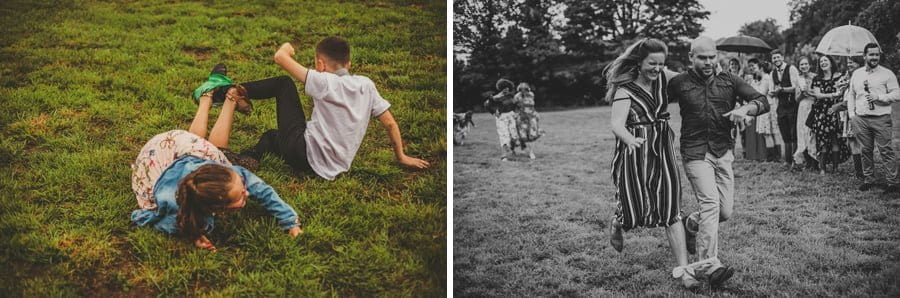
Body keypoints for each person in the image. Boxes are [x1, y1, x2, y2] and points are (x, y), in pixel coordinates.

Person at [131, 82, 302, 252]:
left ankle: (212, 99)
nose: (247, 193)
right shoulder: (173, 209)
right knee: (211, 148)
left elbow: (263, 190)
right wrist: (193, 234)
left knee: (211, 149)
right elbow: (140, 216)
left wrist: (290, 221)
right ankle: (213, 98)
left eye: (243, 190)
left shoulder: (231, 175)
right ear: (217, 208)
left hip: (173, 150)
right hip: (157, 168)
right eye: (240, 197)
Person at [227, 37, 429, 180]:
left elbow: (280, 57)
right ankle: (250, 156)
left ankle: (239, 93)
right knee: (272, 136)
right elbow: (390, 123)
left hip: (304, 153)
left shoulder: (325, 81)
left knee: (284, 84)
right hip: (334, 167)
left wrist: (288, 47)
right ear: (348, 63)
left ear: (320, 64)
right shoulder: (367, 86)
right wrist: (401, 157)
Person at [667, 36, 770, 287]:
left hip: (723, 152)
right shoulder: (680, 82)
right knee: (711, 203)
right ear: (691, 57)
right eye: (702, 57)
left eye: (712, 57)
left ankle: (691, 223)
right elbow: (653, 99)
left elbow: (762, 101)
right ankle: (708, 264)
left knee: (725, 211)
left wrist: (746, 110)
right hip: (695, 153)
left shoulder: (729, 81)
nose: (708, 62)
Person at [605, 38, 696, 289]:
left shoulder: (663, 79)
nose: (656, 68)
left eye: (660, 64)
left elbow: (691, 76)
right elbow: (616, 124)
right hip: (635, 151)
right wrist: (629, 140)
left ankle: (685, 271)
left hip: (662, 148)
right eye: (651, 64)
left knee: (670, 209)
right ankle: (619, 221)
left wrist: (712, 70)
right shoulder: (625, 90)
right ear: (639, 62)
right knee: (635, 209)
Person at [845, 43, 900, 193]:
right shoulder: (857, 73)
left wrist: (879, 97)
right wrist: (852, 115)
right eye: (871, 54)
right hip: (861, 119)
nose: (874, 57)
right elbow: (851, 94)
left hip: (881, 118)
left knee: (886, 150)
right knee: (865, 150)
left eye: (877, 55)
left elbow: (897, 94)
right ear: (864, 56)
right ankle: (869, 179)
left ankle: (892, 182)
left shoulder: (887, 74)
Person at [808, 55, 851, 174]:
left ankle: (836, 167)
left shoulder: (839, 77)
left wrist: (840, 91)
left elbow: (842, 92)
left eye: (825, 61)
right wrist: (833, 94)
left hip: (834, 111)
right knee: (822, 140)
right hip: (821, 112)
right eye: (821, 62)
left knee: (835, 139)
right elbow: (817, 95)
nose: (823, 63)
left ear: (831, 63)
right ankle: (822, 168)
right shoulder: (817, 78)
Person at [830, 57, 866, 179]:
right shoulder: (848, 78)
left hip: (857, 114)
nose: (849, 64)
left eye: (852, 62)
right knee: (852, 142)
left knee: (859, 142)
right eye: (848, 62)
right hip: (848, 114)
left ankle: (864, 171)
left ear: (859, 64)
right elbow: (840, 92)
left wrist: (836, 107)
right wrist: (842, 85)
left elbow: (853, 100)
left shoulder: (861, 78)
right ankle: (859, 172)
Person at [743, 59, 782, 161]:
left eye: (756, 68)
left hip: (766, 107)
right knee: (771, 132)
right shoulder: (765, 78)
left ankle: (773, 157)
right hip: (768, 106)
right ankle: (775, 156)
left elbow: (761, 94)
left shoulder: (765, 78)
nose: (754, 70)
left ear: (761, 68)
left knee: (767, 133)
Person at [769, 50, 801, 167]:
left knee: (794, 134)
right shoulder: (772, 73)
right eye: (774, 58)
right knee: (785, 133)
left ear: (782, 57)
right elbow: (771, 90)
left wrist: (781, 89)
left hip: (792, 105)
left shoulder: (791, 69)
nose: (776, 60)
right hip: (781, 107)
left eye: (778, 57)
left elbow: (796, 87)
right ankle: (787, 160)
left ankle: (796, 160)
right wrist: (772, 93)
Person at [485, 78, 520, 161]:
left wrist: (517, 113)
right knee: (504, 136)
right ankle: (504, 155)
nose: (507, 89)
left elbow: (517, 105)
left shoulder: (511, 96)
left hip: (511, 116)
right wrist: (494, 112)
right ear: (501, 88)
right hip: (501, 118)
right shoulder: (496, 97)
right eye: (505, 88)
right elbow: (486, 105)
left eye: (508, 87)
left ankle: (512, 149)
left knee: (514, 136)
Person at [794, 56, 819, 170]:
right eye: (801, 65)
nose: (804, 66)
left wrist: (810, 91)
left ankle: (815, 161)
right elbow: (796, 99)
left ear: (809, 65)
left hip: (813, 106)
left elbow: (819, 94)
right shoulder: (798, 78)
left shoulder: (815, 77)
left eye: (805, 64)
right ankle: (807, 161)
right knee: (803, 132)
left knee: (812, 133)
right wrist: (803, 94)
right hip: (803, 107)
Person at [513, 82, 542, 159]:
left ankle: (531, 152)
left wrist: (536, 113)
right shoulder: (517, 97)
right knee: (523, 135)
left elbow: (532, 106)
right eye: (521, 90)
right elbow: (514, 107)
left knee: (532, 135)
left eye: (525, 90)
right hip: (522, 117)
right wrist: (515, 115)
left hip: (531, 117)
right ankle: (522, 146)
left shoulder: (531, 95)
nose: (523, 92)